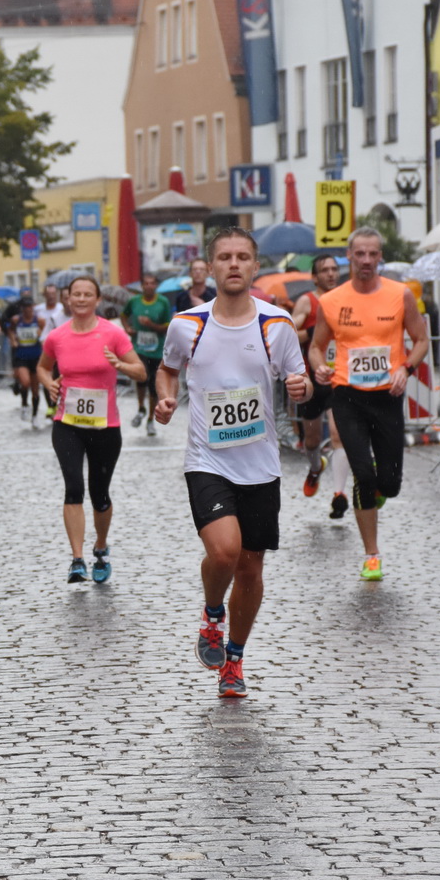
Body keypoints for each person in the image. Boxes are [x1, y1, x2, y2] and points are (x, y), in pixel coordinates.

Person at [154, 225, 311, 698]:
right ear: (209, 266)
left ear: (256, 266)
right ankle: (211, 615)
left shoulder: (277, 325)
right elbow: (167, 369)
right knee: (223, 551)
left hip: (260, 464)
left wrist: (302, 389)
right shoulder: (188, 324)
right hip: (207, 459)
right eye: (225, 257)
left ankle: (235, 660)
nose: (235, 264)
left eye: (243, 257)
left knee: (250, 567)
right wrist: (165, 400)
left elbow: (298, 380)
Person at [307, 227, 428, 581]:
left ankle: (378, 488)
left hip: (388, 396)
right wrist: (320, 368)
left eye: (373, 254)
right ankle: (372, 555)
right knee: (363, 474)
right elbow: (316, 346)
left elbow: (421, 340)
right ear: (349, 256)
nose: (366, 261)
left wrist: (406, 367)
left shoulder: (400, 295)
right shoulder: (331, 302)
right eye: (360, 254)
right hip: (347, 396)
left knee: (388, 484)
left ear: (380, 257)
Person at [36, 275, 145, 583]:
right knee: (73, 487)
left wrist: (120, 365)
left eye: (88, 294)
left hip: (105, 426)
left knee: (99, 494)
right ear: (67, 299)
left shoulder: (113, 334)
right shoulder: (56, 337)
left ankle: (100, 546)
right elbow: (43, 367)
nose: (81, 299)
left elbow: (140, 371)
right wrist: (49, 384)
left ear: (98, 301)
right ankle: (77, 558)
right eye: (76, 294)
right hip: (67, 423)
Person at [291, 254, 341, 497]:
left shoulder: (345, 299)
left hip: (337, 377)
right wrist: (313, 332)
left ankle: (339, 494)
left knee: (336, 434)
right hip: (311, 379)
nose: (331, 274)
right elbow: (288, 333)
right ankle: (315, 467)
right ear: (314, 277)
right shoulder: (307, 302)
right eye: (325, 270)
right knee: (311, 441)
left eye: (334, 269)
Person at [122, 271, 171, 435]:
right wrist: (128, 328)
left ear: (156, 286)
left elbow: (168, 325)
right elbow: (124, 315)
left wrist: (151, 325)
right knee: (141, 377)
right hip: (139, 347)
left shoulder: (163, 302)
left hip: (157, 350)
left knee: (153, 386)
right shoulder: (134, 301)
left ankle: (150, 419)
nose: (149, 286)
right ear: (142, 286)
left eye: (152, 283)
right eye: (146, 283)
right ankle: (141, 408)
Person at [6, 295, 47, 428]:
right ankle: (24, 404)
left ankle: (34, 416)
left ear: (33, 307)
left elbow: (46, 336)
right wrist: (13, 339)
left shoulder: (40, 321)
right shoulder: (16, 320)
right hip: (21, 356)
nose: (28, 310)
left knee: (35, 390)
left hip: (35, 357)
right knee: (25, 382)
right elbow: (10, 330)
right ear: (22, 308)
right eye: (25, 307)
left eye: (30, 307)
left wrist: (41, 335)